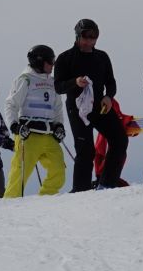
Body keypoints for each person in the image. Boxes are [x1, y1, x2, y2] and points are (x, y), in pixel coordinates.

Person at [53, 18, 127, 190]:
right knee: (85, 150)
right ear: (77, 36)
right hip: (77, 108)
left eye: (93, 37)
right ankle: (81, 190)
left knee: (120, 139)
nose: (89, 41)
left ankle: (107, 183)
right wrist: (75, 82)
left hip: (100, 106)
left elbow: (111, 82)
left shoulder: (102, 57)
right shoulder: (65, 58)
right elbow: (58, 87)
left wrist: (109, 97)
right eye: (85, 37)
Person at [4, 45, 67, 197]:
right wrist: (14, 126)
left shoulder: (52, 82)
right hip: (29, 136)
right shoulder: (25, 80)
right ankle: (9, 203)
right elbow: (11, 104)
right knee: (20, 173)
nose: (53, 65)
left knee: (58, 169)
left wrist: (59, 125)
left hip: (49, 135)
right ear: (39, 62)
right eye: (50, 62)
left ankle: (46, 198)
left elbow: (57, 107)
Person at [92, 98, 140, 186]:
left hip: (108, 169)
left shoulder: (111, 108)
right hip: (106, 169)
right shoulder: (108, 125)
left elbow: (120, 116)